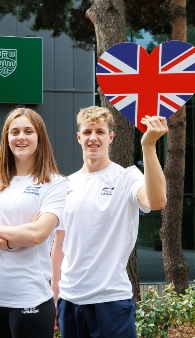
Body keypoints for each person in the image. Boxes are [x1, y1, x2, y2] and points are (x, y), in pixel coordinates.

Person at [52, 106, 168, 338]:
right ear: (78, 137)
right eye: (87, 132)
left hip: (111, 300)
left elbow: (157, 201)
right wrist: (55, 296)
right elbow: (59, 246)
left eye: (100, 132)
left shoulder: (127, 177)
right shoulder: (65, 185)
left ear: (111, 137)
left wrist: (148, 146)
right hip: (70, 300)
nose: (93, 138)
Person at [0, 107, 67, 338]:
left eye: (28, 131)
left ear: (39, 137)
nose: (21, 137)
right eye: (15, 131)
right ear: (6, 138)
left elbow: (38, 234)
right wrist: (19, 236)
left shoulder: (55, 184)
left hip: (31, 298)